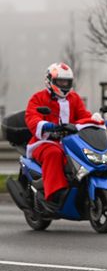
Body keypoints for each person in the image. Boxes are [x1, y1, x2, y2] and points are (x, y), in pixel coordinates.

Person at [25, 63, 96, 205]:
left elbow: (83, 115)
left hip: (69, 143)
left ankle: (80, 189)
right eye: (60, 81)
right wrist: (44, 125)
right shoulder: (38, 98)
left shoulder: (74, 98)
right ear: (50, 80)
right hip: (45, 142)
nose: (63, 84)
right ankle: (56, 193)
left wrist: (97, 121)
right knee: (53, 154)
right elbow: (32, 116)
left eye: (66, 81)